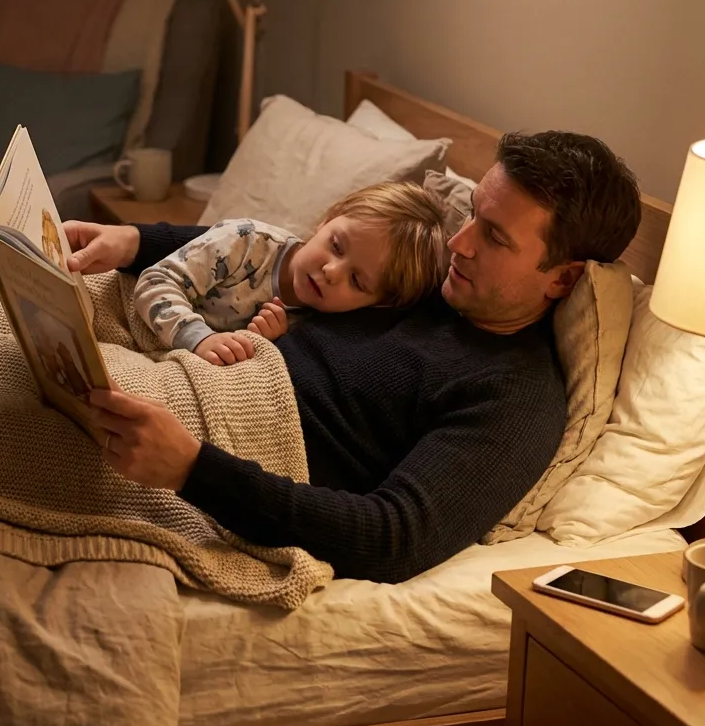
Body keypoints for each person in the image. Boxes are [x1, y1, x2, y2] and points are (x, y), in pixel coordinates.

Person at [70, 131, 642, 583]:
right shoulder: (436, 280)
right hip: (193, 361)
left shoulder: (513, 396)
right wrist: (137, 242)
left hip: (213, 439)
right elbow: (278, 259)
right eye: (471, 215)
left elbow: (393, 538)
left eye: (494, 238)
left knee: (0, 415)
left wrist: (194, 470)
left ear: (562, 279)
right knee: (9, 334)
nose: (460, 242)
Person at [133, 181, 449, 365]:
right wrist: (199, 339)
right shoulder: (246, 242)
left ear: (377, 304)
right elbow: (156, 280)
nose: (331, 271)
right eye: (337, 246)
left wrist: (261, 344)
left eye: (356, 281)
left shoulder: (322, 326)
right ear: (328, 219)